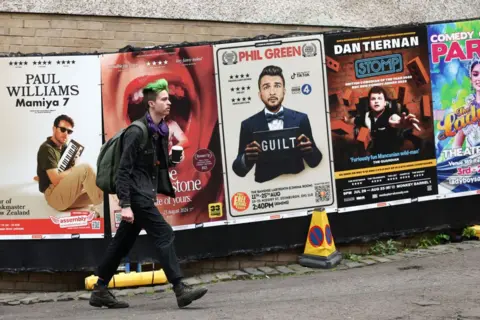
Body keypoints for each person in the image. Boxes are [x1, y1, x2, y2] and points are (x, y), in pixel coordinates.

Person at [89, 79, 208, 309]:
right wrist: (125, 204)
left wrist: (174, 160)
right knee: (164, 233)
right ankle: (180, 289)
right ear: (151, 104)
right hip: (135, 195)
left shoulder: (160, 131)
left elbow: (156, 166)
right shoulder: (137, 131)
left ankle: (100, 289)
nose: (169, 102)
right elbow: (124, 170)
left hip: (143, 192)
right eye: (164, 99)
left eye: (169, 98)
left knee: (121, 244)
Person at [232, 65, 322, 183]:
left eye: (277, 86)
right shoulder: (248, 125)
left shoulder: (301, 119)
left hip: (298, 184)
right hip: (265, 187)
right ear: (260, 94)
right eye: (266, 87)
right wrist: (246, 159)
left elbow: (315, 161)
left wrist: (309, 151)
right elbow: (239, 170)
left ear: (284, 91)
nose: (272, 92)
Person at [36, 114, 103, 214]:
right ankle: (103, 211)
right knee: (86, 168)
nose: (66, 134)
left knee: (102, 190)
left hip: (64, 194)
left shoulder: (63, 147)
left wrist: (74, 162)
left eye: (69, 131)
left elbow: (64, 172)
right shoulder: (46, 149)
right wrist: (74, 169)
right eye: (63, 129)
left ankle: (103, 203)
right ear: (54, 129)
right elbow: (55, 179)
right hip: (54, 197)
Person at [343, 86, 421, 154]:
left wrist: (400, 123)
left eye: (379, 98)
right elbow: (354, 120)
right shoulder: (366, 116)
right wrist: (347, 120)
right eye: (373, 99)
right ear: (370, 104)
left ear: (385, 103)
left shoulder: (390, 114)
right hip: (375, 151)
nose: (376, 101)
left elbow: (394, 120)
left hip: (393, 151)